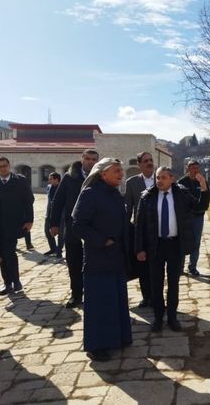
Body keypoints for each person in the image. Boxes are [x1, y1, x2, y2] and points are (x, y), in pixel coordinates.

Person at [72, 158, 132, 361]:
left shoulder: (115, 194)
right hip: (98, 259)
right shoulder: (90, 194)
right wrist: (103, 241)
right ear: (103, 174)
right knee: (99, 303)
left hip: (117, 257)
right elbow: (78, 225)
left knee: (116, 300)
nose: (121, 174)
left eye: (121, 170)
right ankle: (96, 346)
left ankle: (119, 338)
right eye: (117, 171)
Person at [135, 166, 208, 332]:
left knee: (174, 283)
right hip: (155, 246)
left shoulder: (181, 194)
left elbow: (200, 207)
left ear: (172, 178)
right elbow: (140, 225)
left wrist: (204, 188)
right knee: (156, 283)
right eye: (158, 177)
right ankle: (158, 318)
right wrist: (139, 249)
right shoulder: (147, 196)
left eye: (163, 177)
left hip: (175, 245)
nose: (159, 181)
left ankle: (172, 317)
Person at [50, 149, 99, 308]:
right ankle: (76, 294)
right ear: (82, 159)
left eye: (94, 159)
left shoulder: (100, 177)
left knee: (94, 262)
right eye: (88, 158)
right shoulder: (69, 177)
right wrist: (54, 224)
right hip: (73, 227)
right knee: (74, 262)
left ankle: (94, 293)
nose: (91, 162)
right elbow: (58, 201)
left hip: (94, 227)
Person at [0, 156, 34, 295]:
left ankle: (15, 281)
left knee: (9, 252)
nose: (3, 168)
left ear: (9, 166)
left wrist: (29, 220)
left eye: (5, 165)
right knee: (2, 253)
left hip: (15, 223)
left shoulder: (20, 181)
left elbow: (29, 201)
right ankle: (8, 283)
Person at [124, 151, 155, 308]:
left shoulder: (161, 179)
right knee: (142, 265)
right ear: (139, 164)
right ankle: (146, 297)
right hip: (141, 231)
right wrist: (125, 229)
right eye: (145, 161)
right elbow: (128, 209)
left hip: (159, 231)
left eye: (150, 160)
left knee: (156, 266)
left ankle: (156, 296)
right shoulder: (132, 183)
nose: (149, 163)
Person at [177, 160, 210, 276]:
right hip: (185, 218)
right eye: (193, 168)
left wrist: (203, 184)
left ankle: (193, 267)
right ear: (188, 169)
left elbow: (206, 197)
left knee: (196, 242)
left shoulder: (202, 181)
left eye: (197, 168)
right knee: (182, 241)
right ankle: (180, 267)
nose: (196, 170)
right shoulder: (182, 182)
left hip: (198, 217)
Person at [44, 172, 64, 258]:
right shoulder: (49, 187)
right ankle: (53, 248)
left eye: (51, 179)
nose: (49, 180)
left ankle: (59, 251)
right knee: (47, 231)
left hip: (60, 214)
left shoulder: (62, 188)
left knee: (61, 234)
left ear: (56, 179)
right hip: (49, 213)